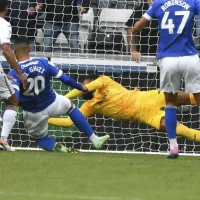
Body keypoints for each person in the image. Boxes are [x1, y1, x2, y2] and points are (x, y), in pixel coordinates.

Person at [7, 37, 109, 152]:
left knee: (41, 139)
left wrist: (8, 111)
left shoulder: (14, 72)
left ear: (14, 51)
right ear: (30, 49)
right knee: (70, 106)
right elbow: (64, 78)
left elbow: (14, 95)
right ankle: (94, 139)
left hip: (33, 113)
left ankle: (57, 147)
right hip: (52, 103)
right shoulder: (43, 62)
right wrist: (81, 87)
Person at [131, 0, 200, 158]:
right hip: (190, 57)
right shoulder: (193, 2)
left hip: (168, 59)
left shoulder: (157, 4)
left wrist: (134, 42)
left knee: (170, 103)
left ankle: (174, 147)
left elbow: (137, 26)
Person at [49, 74, 200, 145]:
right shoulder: (89, 106)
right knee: (183, 132)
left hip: (148, 97)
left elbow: (85, 88)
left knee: (190, 97)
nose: (83, 85)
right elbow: (69, 122)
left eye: (86, 83)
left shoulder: (104, 81)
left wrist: (64, 98)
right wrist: (46, 118)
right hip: (146, 115)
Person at [0, 0, 27, 151]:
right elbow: (6, 49)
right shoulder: (4, 24)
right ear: (6, 8)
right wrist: (19, 73)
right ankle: (3, 140)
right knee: (13, 101)